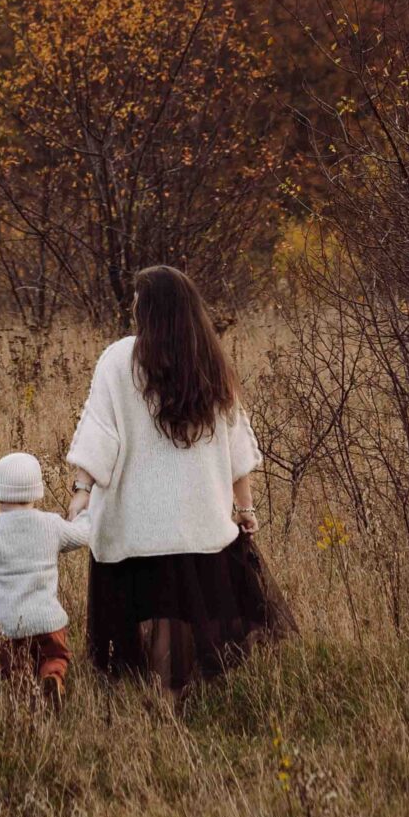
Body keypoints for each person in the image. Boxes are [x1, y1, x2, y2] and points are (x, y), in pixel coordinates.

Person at [66, 265, 288, 693]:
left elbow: (99, 434)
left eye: (137, 300)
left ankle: (160, 704)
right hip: (196, 521)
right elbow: (236, 449)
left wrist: (82, 490)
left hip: (136, 524)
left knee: (151, 606)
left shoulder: (117, 360)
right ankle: (176, 697)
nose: (132, 306)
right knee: (182, 609)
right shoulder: (208, 361)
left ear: (149, 310)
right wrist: (245, 510)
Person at [0, 450, 94, 707]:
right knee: (54, 657)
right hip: (48, 621)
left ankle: (25, 700)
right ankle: (52, 678)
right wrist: (86, 512)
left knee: (15, 670)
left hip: (9, 627)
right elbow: (83, 535)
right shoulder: (51, 524)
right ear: (37, 490)